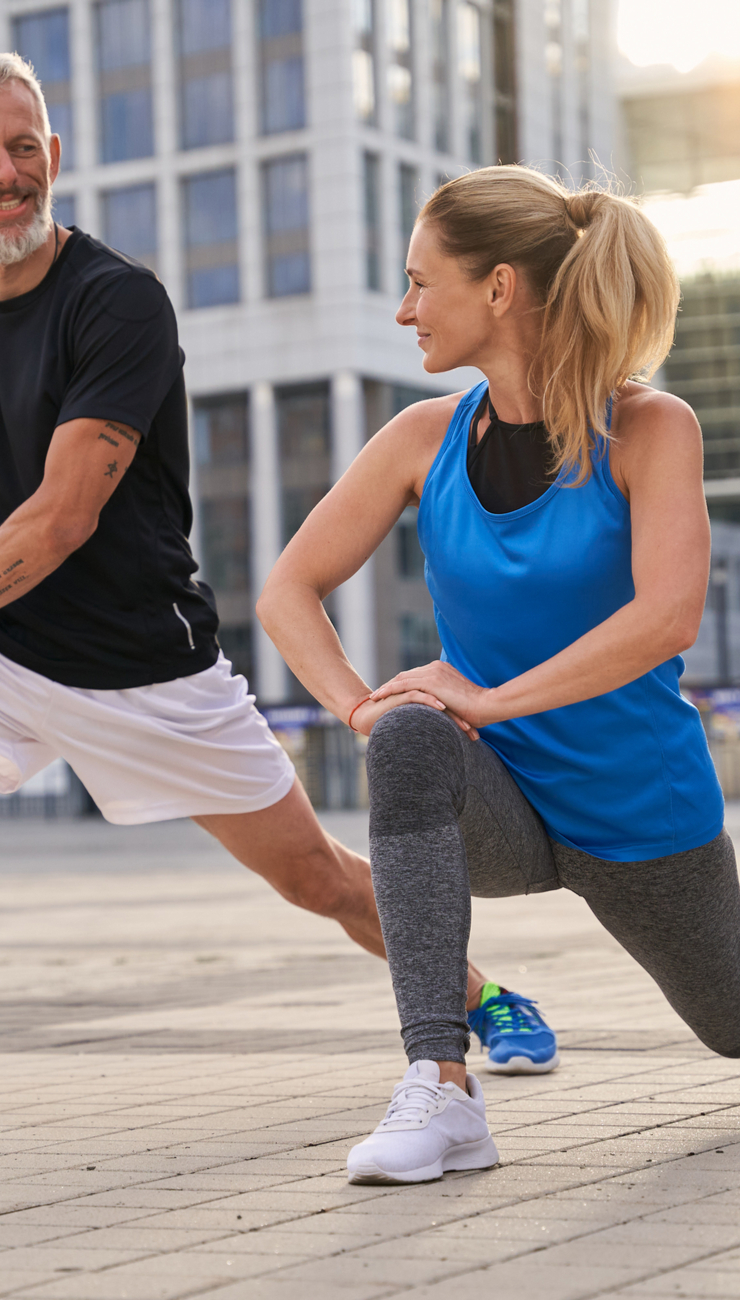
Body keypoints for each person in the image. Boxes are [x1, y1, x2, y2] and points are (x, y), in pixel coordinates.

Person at [0, 55, 542, 1138]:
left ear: (54, 158)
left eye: (24, 146)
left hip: (145, 669)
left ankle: (478, 992)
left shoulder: (117, 301)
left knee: (316, 878)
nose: (5, 172)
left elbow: (62, 516)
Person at [258, 165, 740, 1187]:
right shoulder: (420, 440)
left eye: (419, 281)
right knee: (408, 735)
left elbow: (666, 619)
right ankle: (442, 1086)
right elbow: (287, 589)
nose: (403, 310)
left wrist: (485, 696)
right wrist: (358, 704)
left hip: (638, 819)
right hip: (500, 803)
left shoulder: (649, 431)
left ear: (499, 288)